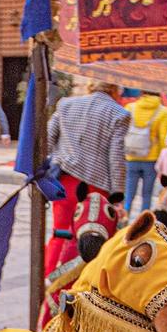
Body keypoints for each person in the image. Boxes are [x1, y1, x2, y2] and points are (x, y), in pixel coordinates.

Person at [43, 79, 130, 273]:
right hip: (95, 186)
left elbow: (47, 139)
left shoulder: (66, 104)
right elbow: (116, 158)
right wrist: (117, 196)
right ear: (115, 89)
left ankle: (49, 278)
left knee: (60, 231)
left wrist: (49, 167)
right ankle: (78, 281)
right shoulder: (118, 114)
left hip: (63, 180)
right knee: (88, 234)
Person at [122, 88, 167, 214]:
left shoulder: (130, 107)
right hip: (151, 159)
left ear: (142, 92)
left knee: (129, 192)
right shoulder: (163, 111)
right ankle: (143, 221)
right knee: (147, 194)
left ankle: (125, 215)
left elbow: (122, 131)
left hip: (131, 156)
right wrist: (162, 161)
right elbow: (163, 139)